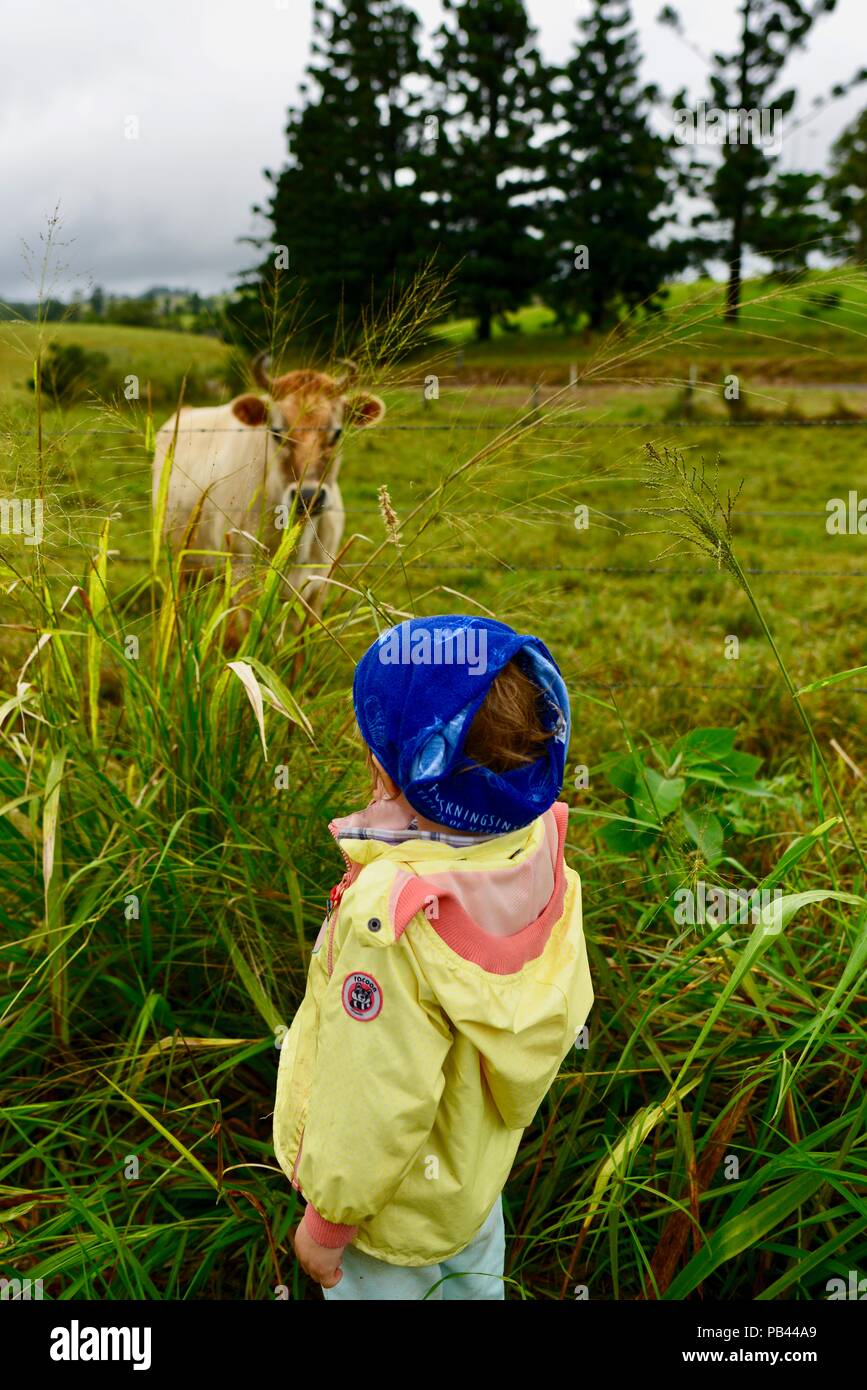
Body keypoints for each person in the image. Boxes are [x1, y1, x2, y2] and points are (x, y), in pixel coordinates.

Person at [273, 614, 594, 1300]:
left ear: (383, 768)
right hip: (472, 1182)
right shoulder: (537, 843)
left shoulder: (392, 920)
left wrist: (326, 1227)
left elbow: (373, 1100)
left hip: (385, 1226)